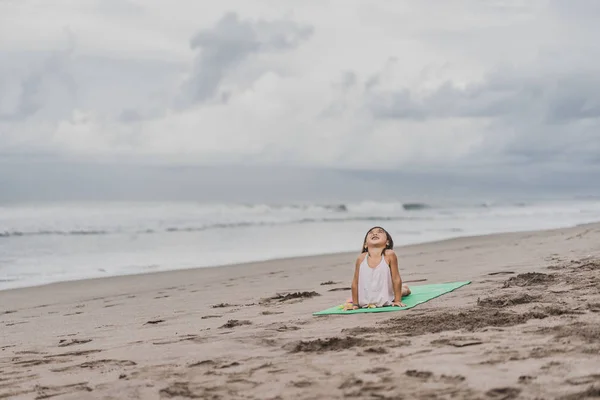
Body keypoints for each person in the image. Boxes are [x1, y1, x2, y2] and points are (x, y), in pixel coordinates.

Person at [343, 226, 411, 311]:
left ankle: (405, 288)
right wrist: (355, 304)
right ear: (365, 244)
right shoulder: (361, 258)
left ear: (387, 242)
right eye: (371, 233)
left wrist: (397, 300)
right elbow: (355, 282)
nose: (375, 233)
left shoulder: (389, 255)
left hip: (386, 293)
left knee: (401, 292)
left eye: (380, 232)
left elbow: (396, 278)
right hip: (368, 297)